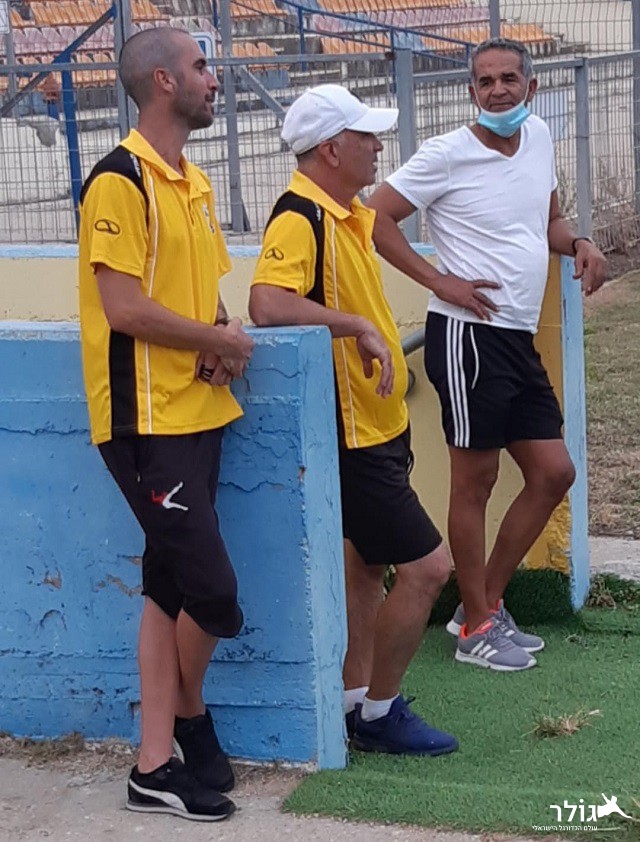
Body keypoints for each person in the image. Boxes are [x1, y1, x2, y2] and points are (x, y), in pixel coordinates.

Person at [368, 37, 607, 671]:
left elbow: (548, 222)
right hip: (468, 336)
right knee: (476, 481)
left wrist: (579, 243)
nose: (497, 90)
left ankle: (483, 604)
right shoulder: (447, 153)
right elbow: (376, 218)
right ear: (471, 91)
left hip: (516, 337)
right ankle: (475, 628)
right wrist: (439, 280)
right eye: (485, 81)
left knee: (554, 472)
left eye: (508, 79)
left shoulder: (540, 138)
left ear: (531, 86)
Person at [249, 84, 458, 756]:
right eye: (365, 137)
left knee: (367, 567)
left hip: (379, 424)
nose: (377, 147)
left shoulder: (346, 212)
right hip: (354, 436)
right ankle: (380, 711)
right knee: (429, 568)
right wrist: (357, 326)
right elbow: (266, 303)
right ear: (331, 150)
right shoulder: (299, 216)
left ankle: (353, 699)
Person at [78, 28, 254, 821]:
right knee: (214, 595)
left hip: (198, 409)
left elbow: (201, 293)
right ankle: (188, 716)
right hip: (145, 420)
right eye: (201, 67)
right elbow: (123, 307)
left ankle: (153, 768)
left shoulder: (194, 181)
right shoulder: (118, 179)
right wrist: (219, 340)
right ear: (162, 82)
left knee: (168, 585)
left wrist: (219, 337)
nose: (213, 80)